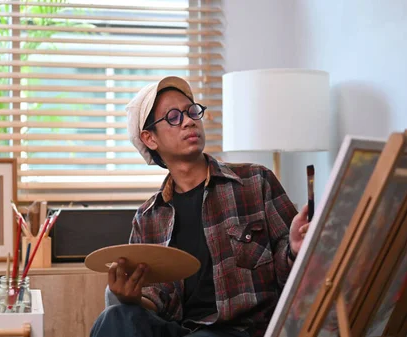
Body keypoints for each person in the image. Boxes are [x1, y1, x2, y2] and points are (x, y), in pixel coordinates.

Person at [90, 76, 310, 337]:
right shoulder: (147, 217)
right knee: (114, 317)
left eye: (192, 111)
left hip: (241, 330)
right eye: (173, 117)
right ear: (150, 139)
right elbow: (156, 300)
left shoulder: (255, 182)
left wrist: (296, 249)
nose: (189, 120)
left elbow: (294, 280)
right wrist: (132, 297)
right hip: (180, 330)